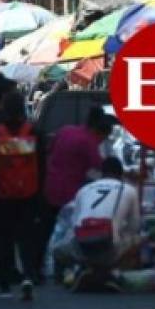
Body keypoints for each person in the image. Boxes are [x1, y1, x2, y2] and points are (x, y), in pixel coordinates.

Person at [40, 106, 113, 283]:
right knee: (67, 232)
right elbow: (102, 168)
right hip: (69, 192)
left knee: (46, 229)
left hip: (49, 185)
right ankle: (57, 265)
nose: (102, 141)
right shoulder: (89, 142)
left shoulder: (65, 130)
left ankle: (41, 264)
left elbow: (50, 151)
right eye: (103, 138)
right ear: (98, 130)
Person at [0, 90, 40, 299]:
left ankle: (5, 285)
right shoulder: (33, 131)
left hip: (2, 194)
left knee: (4, 240)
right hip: (29, 194)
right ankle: (28, 276)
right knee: (26, 239)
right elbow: (41, 165)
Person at [54, 157, 141, 292]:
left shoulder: (84, 189)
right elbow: (135, 226)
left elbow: (74, 224)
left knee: (58, 249)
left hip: (81, 248)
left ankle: (80, 270)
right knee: (138, 239)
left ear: (101, 173)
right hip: (110, 251)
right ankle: (112, 273)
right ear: (121, 174)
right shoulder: (129, 190)